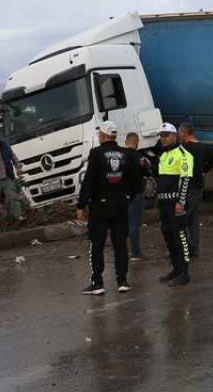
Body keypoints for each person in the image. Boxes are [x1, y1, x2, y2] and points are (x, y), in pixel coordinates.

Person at [76, 121, 142, 295]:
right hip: (121, 204)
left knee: (96, 244)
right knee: (120, 243)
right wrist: (129, 197)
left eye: (99, 135)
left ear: (103, 136)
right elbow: (136, 179)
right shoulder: (125, 153)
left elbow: (88, 181)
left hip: (100, 205)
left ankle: (97, 283)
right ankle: (122, 281)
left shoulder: (97, 153)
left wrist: (81, 205)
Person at [154, 123, 194, 286]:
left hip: (175, 203)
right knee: (168, 236)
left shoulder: (183, 154)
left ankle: (184, 273)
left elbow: (185, 180)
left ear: (174, 136)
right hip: (163, 203)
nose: (162, 138)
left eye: (165, 135)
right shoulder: (164, 154)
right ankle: (176, 269)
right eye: (161, 135)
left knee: (180, 238)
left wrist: (181, 202)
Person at [178, 122, 213, 259]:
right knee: (194, 218)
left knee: (182, 216)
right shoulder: (202, 147)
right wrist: (203, 170)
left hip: (187, 186)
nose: (179, 136)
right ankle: (193, 248)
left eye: (179, 133)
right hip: (198, 185)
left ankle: (182, 249)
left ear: (184, 133)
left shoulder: (185, 148)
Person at [123, 132, 152, 260]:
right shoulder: (138, 156)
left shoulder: (120, 156)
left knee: (122, 223)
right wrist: (147, 163)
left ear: (125, 142)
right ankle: (135, 251)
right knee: (134, 223)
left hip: (122, 195)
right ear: (136, 143)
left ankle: (122, 251)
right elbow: (146, 173)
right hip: (137, 193)